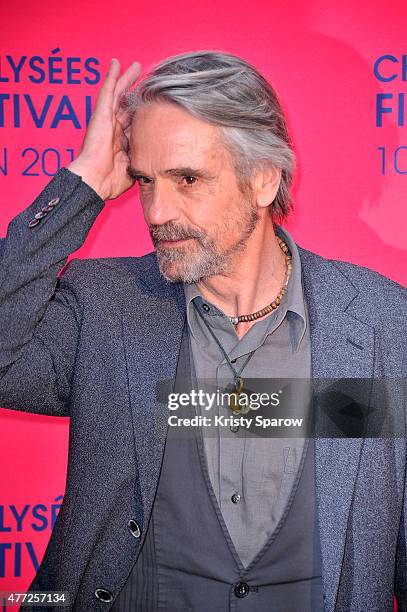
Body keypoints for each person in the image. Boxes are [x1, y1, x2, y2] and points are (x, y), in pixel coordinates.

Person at [0, 50, 406, 612]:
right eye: (145, 180)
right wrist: (83, 183)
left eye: (187, 178)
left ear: (264, 179)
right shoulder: (104, 307)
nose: (157, 211)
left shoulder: (385, 325)